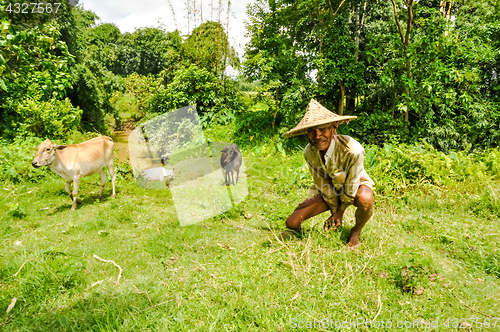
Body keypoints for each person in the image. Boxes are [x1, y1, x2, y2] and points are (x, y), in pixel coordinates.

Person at [283, 99, 375, 249]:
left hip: (355, 187)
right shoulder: (309, 152)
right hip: (331, 191)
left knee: (366, 200)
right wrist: (334, 210)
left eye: (323, 129)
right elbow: (322, 184)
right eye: (312, 131)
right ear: (307, 134)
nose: (317, 135)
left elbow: (352, 183)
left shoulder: (352, 149)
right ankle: (299, 236)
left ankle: (355, 232)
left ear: (333, 128)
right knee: (291, 223)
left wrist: (341, 212)